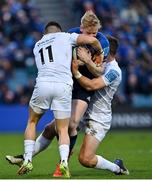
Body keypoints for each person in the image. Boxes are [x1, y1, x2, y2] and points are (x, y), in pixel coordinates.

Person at [6, 11, 109, 177]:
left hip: (63, 84)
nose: (92, 35)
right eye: (88, 32)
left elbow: (97, 73)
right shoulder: (68, 36)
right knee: (59, 129)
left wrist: (86, 62)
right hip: (65, 84)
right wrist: (86, 58)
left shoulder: (37, 44)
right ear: (80, 28)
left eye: (94, 32)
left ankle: (28, 158)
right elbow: (91, 42)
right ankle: (62, 163)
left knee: (36, 122)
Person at [72, 35, 129, 175]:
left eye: (98, 47)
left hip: (98, 117)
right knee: (52, 128)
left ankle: (117, 168)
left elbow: (92, 85)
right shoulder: (96, 62)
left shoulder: (114, 71)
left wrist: (76, 72)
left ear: (107, 50)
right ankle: (27, 157)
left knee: (85, 159)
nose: (95, 50)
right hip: (82, 109)